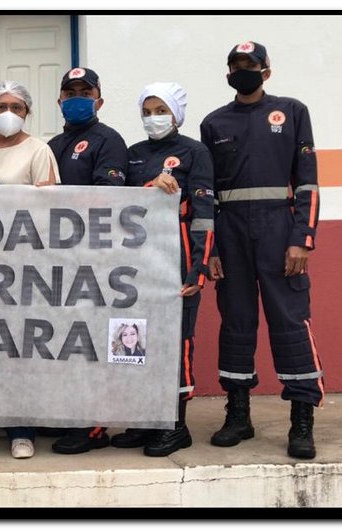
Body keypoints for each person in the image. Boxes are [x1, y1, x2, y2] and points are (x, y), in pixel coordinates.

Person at [200, 41, 323, 460]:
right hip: (230, 234)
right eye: (235, 64)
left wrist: (301, 238)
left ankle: (301, 420)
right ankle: (238, 415)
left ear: (266, 70)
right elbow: (207, 193)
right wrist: (210, 248)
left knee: (289, 322)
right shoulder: (213, 123)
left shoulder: (291, 111)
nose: (242, 70)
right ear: (228, 73)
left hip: (278, 229)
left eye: (250, 64)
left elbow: (307, 182)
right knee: (235, 322)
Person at [112, 82, 214, 457]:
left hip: (178, 257)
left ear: (176, 114)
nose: (153, 118)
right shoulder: (134, 153)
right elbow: (117, 200)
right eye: (147, 110)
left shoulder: (195, 152)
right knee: (134, 338)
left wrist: (198, 269)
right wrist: (149, 186)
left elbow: (204, 214)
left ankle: (175, 425)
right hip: (136, 261)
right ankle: (144, 419)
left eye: (161, 110)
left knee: (176, 341)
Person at [0, 80, 59, 459]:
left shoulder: (39, 151)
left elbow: (50, 209)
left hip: (22, 265)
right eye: (0, 106)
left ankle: (22, 428)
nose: (7, 113)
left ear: (27, 112)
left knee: (19, 345)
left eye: (16, 107)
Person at [46, 67, 128, 455]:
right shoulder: (52, 144)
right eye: (70, 91)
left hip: (94, 257)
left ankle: (94, 425)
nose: (76, 96)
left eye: (85, 90)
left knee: (94, 339)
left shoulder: (108, 141)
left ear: (99, 98)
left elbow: (108, 196)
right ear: (59, 100)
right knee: (68, 340)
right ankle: (69, 415)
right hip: (58, 258)